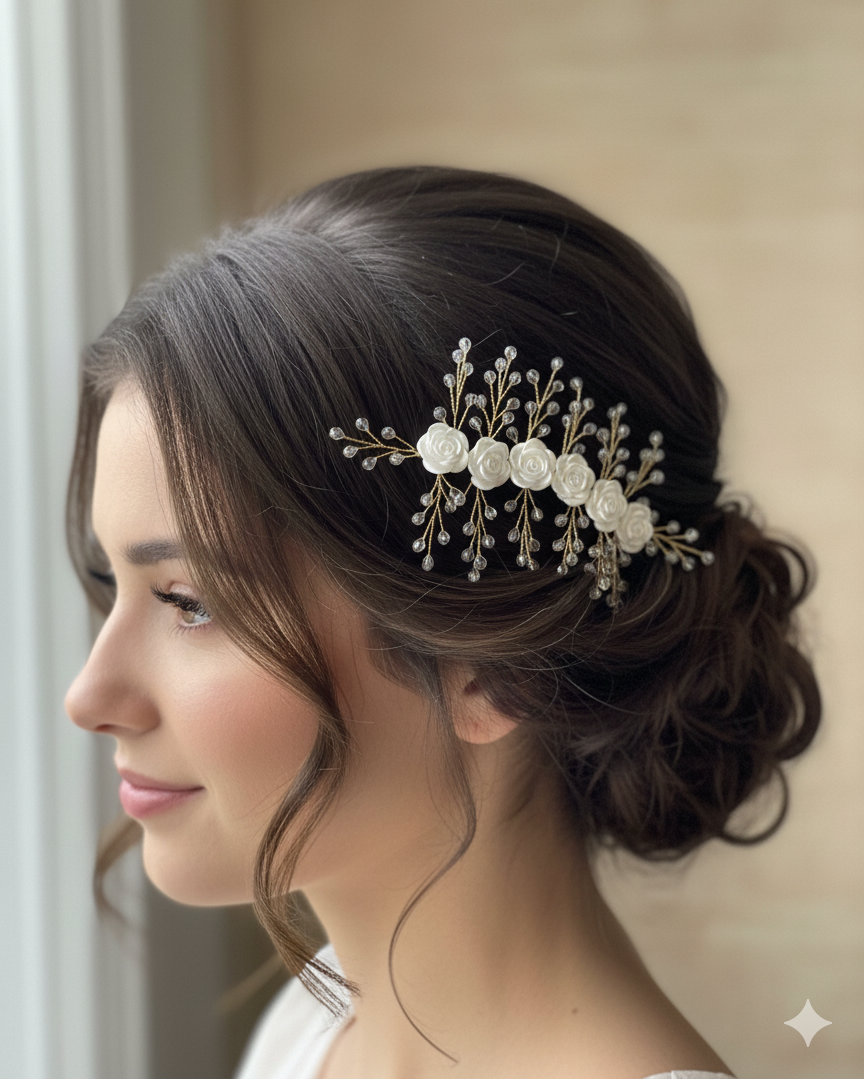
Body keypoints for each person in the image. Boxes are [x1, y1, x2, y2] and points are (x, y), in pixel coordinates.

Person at [64, 166, 819, 1080]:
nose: (90, 697)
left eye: (193, 602)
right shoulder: (313, 1030)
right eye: (117, 586)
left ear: (494, 668)